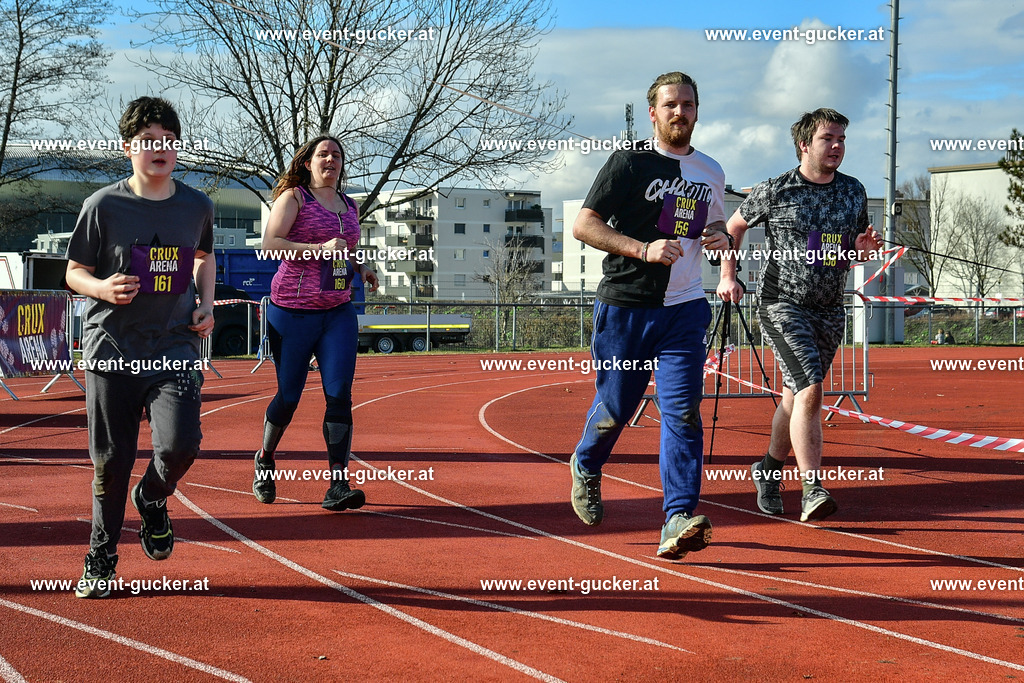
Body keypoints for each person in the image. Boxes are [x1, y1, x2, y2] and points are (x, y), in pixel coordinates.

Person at [568, 71, 731, 560]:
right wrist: (642, 248)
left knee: (682, 411)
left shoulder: (711, 171)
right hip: (626, 307)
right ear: (653, 113)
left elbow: (716, 222)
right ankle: (587, 462)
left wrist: (721, 239)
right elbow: (583, 225)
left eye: (688, 104)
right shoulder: (629, 163)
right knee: (616, 408)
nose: (680, 112)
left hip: (684, 310)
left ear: (697, 110)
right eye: (670, 105)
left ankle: (677, 516)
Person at [66, 96, 216, 598]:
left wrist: (206, 303)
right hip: (112, 346)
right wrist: (103, 288)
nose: (161, 149)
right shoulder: (102, 205)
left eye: (170, 142)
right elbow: (73, 272)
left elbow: (204, 256)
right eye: (150, 141)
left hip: (173, 344)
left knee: (180, 445)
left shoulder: (197, 205)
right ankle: (102, 556)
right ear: (129, 148)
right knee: (111, 460)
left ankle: (152, 496)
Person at [717, 108, 883, 522]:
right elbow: (732, 227)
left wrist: (863, 251)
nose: (837, 146)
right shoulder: (776, 189)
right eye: (828, 138)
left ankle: (768, 470)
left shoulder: (853, 191)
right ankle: (812, 488)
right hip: (781, 304)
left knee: (795, 398)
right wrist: (728, 276)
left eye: (842, 139)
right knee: (811, 389)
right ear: (804, 145)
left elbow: (855, 251)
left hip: (829, 308)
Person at [252, 135, 378, 510]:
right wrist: (317, 250)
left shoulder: (350, 205)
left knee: (339, 396)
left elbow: (345, 251)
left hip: (337, 311)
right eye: (323, 154)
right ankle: (265, 459)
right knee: (288, 398)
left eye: (337, 155)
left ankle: (337, 483)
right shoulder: (294, 198)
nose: (331, 160)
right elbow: (270, 244)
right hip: (291, 311)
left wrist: (361, 267)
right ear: (307, 162)